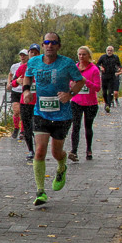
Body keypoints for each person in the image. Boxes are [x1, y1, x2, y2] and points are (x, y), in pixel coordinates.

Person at [22, 32, 84, 207]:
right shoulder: (34, 61)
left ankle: (61, 166)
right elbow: (28, 75)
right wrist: (26, 91)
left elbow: (80, 81)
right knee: (40, 150)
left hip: (62, 115)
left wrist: (70, 94)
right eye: (47, 42)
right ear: (43, 45)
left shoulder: (67, 63)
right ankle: (40, 191)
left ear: (59, 46)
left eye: (53, 43)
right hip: (40, 113)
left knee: (56, 153)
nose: (50, 45)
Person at [70, 46, 101, 161]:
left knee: (88, 127)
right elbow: (70, 82)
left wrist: (85, 82)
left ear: (89, 56)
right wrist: (72, 85)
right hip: (76, 101)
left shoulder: (94, 70)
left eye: (84, 54)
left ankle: (89, 149)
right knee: (75, 126)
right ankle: (74, 151)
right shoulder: (74, 68)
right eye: (80, 54)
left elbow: (97, 88)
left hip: (90, 103)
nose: (81, 57)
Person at [8, 49, 28, 138]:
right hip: (16, 91)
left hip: (25, 91)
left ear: (28, 56)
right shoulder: (14, 66)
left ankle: (23, 131)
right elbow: (10, 74)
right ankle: (16, 128)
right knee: (16, 111)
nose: (22, 57)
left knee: (23, 112)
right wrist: (9, 83)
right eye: (21, 55)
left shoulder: (30, 66)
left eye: (24, 55)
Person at [96, 45, 122, 113]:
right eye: (108, 50)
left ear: (113, 51)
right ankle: (106, 102)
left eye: (111, 50)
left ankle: (108, 104)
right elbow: (97, 64)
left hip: (112, 76)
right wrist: (100, 68)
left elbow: (119, 65)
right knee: (104, 92)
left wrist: (119, 68)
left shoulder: (115, 57)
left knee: (110, 91)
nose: (109, 52)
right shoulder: (103, 57)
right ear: (106, 51)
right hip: (104, 76)